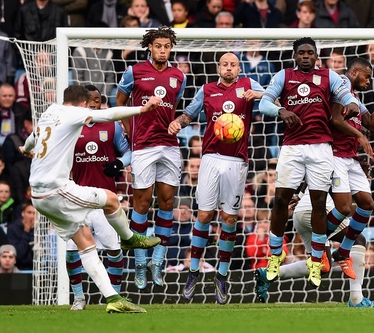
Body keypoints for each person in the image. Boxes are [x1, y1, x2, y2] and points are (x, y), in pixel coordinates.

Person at [20, 84, 162, 313]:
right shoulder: (75, 113)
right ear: (84, 104)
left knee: (85, 242)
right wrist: (142, 109)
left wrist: (26, 149)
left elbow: (31, 140)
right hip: (56, 190)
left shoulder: (49, 113)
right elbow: (110, 114)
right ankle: (128, 238)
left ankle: (114, 299)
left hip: (38, 196)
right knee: (112, 200)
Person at [258, 37, 360, 287]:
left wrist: (352, 106)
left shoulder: (329, 77)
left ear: (316, 56)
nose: (305, 56)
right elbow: (263, 103)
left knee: (317, 202)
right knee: (281, 199)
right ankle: (274, 253)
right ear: (295, 55)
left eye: (310, 53)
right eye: (301, 52)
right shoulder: (284, 76)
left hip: (321, 148)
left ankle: (316, 259)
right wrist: (280, 111)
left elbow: (350, 97)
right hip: (292, 147)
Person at [169, 53, 264, 303]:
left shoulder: (249, 86)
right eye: (225, 64)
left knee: (230, 217)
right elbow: (189, 114)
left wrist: (260, 95)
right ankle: (193, 271)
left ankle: (221, 276)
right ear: (218, 67)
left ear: (239, 68)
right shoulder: (207, 89)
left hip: (237, 160)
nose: (229, 68)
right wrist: (176, 123)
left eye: (233, 65)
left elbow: (271, 100)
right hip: (210, 157)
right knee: (204, 214)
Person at [116, 26, 186, 290]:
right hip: (143, 145)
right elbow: (120, 101)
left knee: (167, 202)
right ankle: (140, 264)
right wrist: (128, 128)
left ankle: (158, 261)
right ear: (150, 47)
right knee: (142, 204)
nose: (162, 50)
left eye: (167, 46)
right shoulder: (134, 72)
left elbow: (174, 107)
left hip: (168, 145)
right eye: (158, 46)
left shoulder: (178, 75)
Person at [61, 85, 131, 310]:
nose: (94, 103)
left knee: (114, 250)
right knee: (73, 252)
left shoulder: (111, 126)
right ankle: (79, 298)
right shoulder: (70, 127)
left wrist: (120, 162)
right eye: (90, 99)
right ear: (82, 102)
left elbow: (130, 151)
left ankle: (116, 298)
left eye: (98, 99)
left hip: (105, 199)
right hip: (78, 199)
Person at [254, 188, 374, 308]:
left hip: (300, 212)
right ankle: (356, 299)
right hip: (317, 211)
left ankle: (268, 274)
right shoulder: (341, 163)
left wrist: (299, 195)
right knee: (358, 239)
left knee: (322, 265)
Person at [328, 58, 374, 278]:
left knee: (367, 204)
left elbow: (372, 124)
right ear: (355, 72)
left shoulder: (355, 97)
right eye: (367, 77)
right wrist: (359, 137)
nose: (369, 81)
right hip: (335, 155)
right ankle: (318, 242)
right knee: (345, 208)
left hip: (350, 158)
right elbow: (335, 120)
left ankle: (342, 251)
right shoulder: (339, 85)